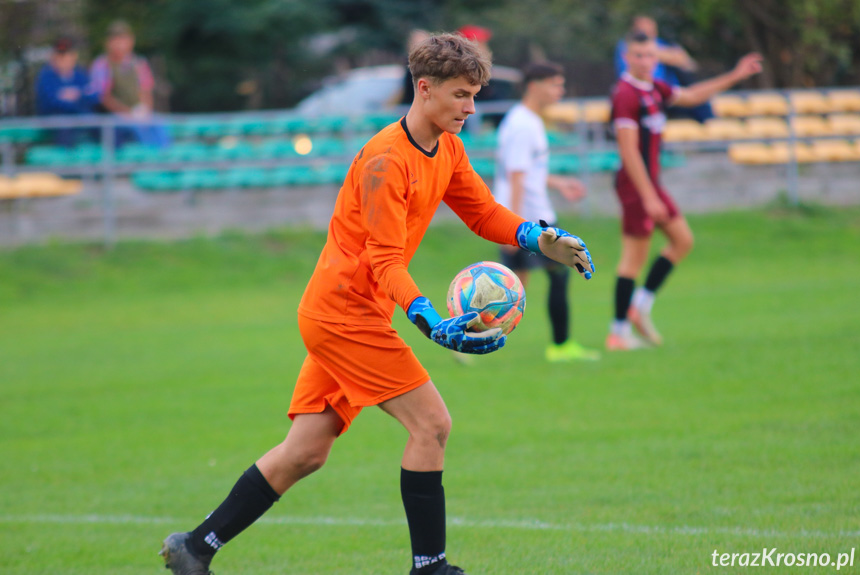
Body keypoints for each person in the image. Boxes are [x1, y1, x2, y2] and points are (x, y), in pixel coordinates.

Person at [159, 32, 594, 575]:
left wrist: (539, 238)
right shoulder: (387, 161)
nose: (471, 107)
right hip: (344, 315)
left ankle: (194, 548)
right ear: (424, 87)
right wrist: (432, 322)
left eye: (475, 95)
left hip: (343, 313)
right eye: (460, 94)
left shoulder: (448, 147)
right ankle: (429, 567)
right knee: (432, 425)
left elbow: (483, 213)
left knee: (305, 452)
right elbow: (386, 261)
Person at [606, 31, 761, 351]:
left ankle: (639, 308)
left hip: (652, 185)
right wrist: (647, 196)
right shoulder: (625, 93)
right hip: (636, 186)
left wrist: (735, 74)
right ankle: (618, 333)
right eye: (639, 55)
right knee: (633, 259)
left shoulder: (654, 88)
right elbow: (629, 150)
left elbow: (691, 97)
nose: (646, 61)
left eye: (651, 55)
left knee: (682, 240)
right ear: (627, 58)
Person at [494, 61, 600, 362]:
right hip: (531, 221)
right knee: (548, 277)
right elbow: (515, 176)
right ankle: (561, 346)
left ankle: (477, 340)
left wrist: (559, 183)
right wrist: (510, 229)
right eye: (554, 84)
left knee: (514, 286)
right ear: (534, 86)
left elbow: (528, 172)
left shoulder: (527, 120)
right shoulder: (522, 124)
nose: (560, 90)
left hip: (528, 217)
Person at [614, 15, 713, 123]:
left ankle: (713, 126)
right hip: (644, 97)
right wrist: (663, 54)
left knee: (699, 101)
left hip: (664, 94)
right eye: (644, 32)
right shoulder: (627, 47)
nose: (645, 62)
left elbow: (688, 63)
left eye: (652, 32)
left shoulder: (661, 44)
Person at [89, 20, 168, 147]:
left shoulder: (139, 63)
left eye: (124, 39)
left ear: (131, 41)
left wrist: (144, 110)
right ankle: (146, 159)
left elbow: (145, 90)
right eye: (116, 40)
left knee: (160, 124)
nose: (120, 45)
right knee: (139, 129)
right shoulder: (102, 65)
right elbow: (104, 98)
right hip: (115, 116)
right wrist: (128, 113)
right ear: (108, 43)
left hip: (138, 111)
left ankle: (163, 159)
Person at [34, 37, 99, 146]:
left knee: (105, 128)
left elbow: (94, 96)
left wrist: (76, 96)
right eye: (60, 55)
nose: (63, 58)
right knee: (65, 127)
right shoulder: (46, 76)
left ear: (74, 56)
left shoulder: (81, 75)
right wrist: (78, 100)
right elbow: (49, 103)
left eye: (67, 54)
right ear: (53, 57)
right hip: (57, 125)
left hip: (83, 119)